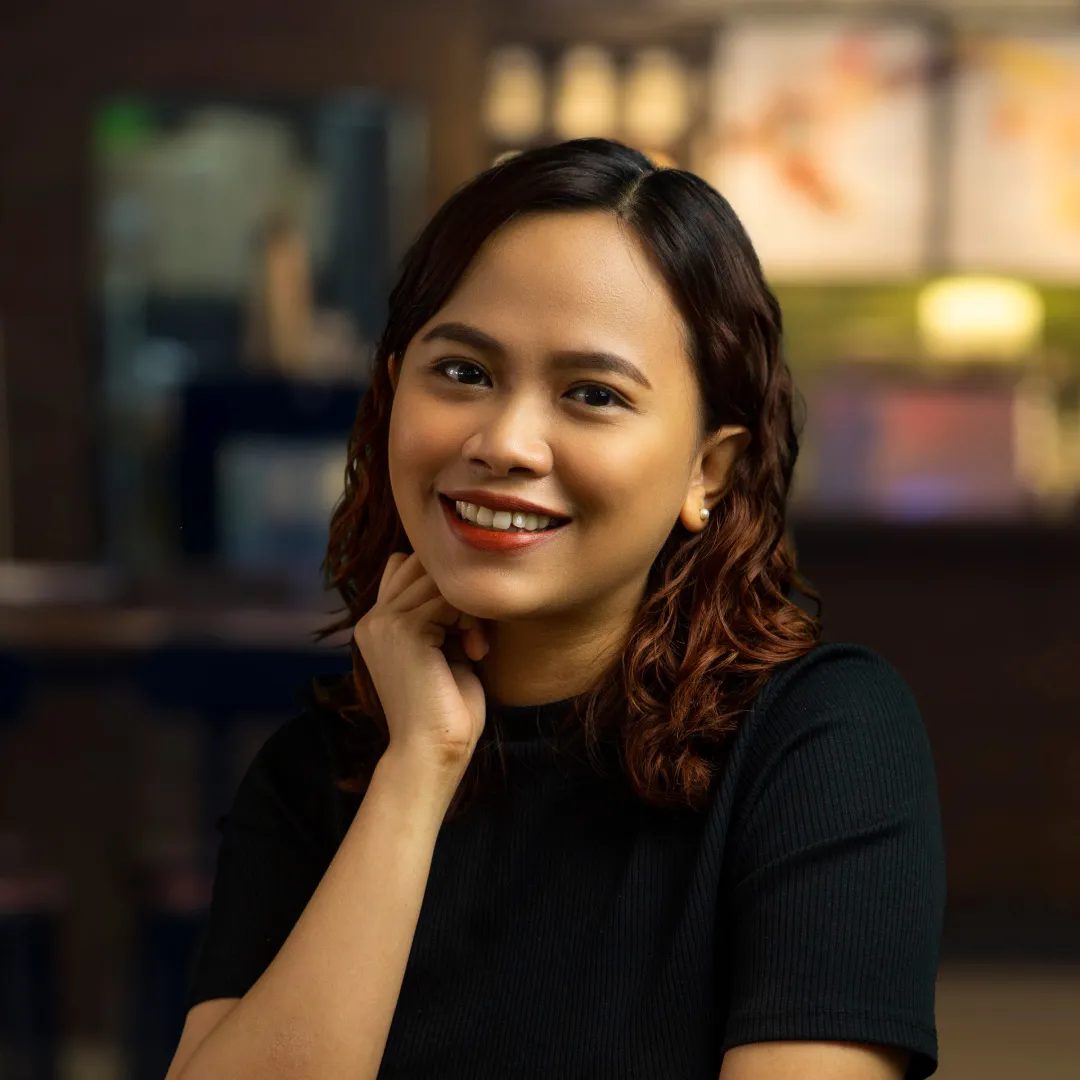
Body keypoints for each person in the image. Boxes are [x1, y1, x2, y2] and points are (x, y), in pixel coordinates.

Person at [165, 139, 945, 1080]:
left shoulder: (819, 744)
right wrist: (418, 770)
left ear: (708, 470)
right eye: (461, 373)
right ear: (388, 397)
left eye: (591, 394)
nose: (505, 442)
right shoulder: (314, 773)